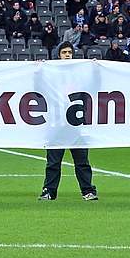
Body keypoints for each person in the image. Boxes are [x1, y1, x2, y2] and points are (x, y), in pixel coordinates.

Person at [40, 43, 97, 201]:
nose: (67, 55)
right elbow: (38, 89)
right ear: (59, 55)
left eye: (69, 52)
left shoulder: (79, 75)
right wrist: (38, 71)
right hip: (56, 124)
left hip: (76, 124)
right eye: (64, 52)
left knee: (82, 161)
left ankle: (88, 190)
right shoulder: (51, 75)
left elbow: (94, 86)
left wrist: (94, 69)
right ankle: (49, 191)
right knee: (53, 162)